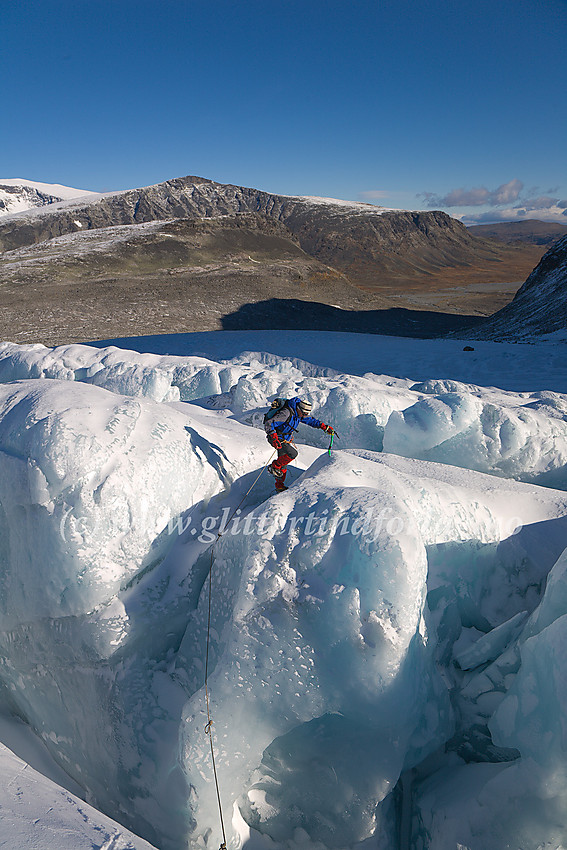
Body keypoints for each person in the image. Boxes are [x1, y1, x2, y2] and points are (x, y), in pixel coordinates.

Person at [263, 397, 335, 491]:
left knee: (283, 464)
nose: (304, 415)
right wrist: (274, 437)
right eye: (304, 413)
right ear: (298, 409)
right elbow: (269, 423)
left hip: (285, 439)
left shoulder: (298, 414)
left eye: (306, 414)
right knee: (292, 454)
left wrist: (324, 427)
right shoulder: (286, 413)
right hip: (276, 438)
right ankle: (274, 466)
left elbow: (310, 421)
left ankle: (279, 486)